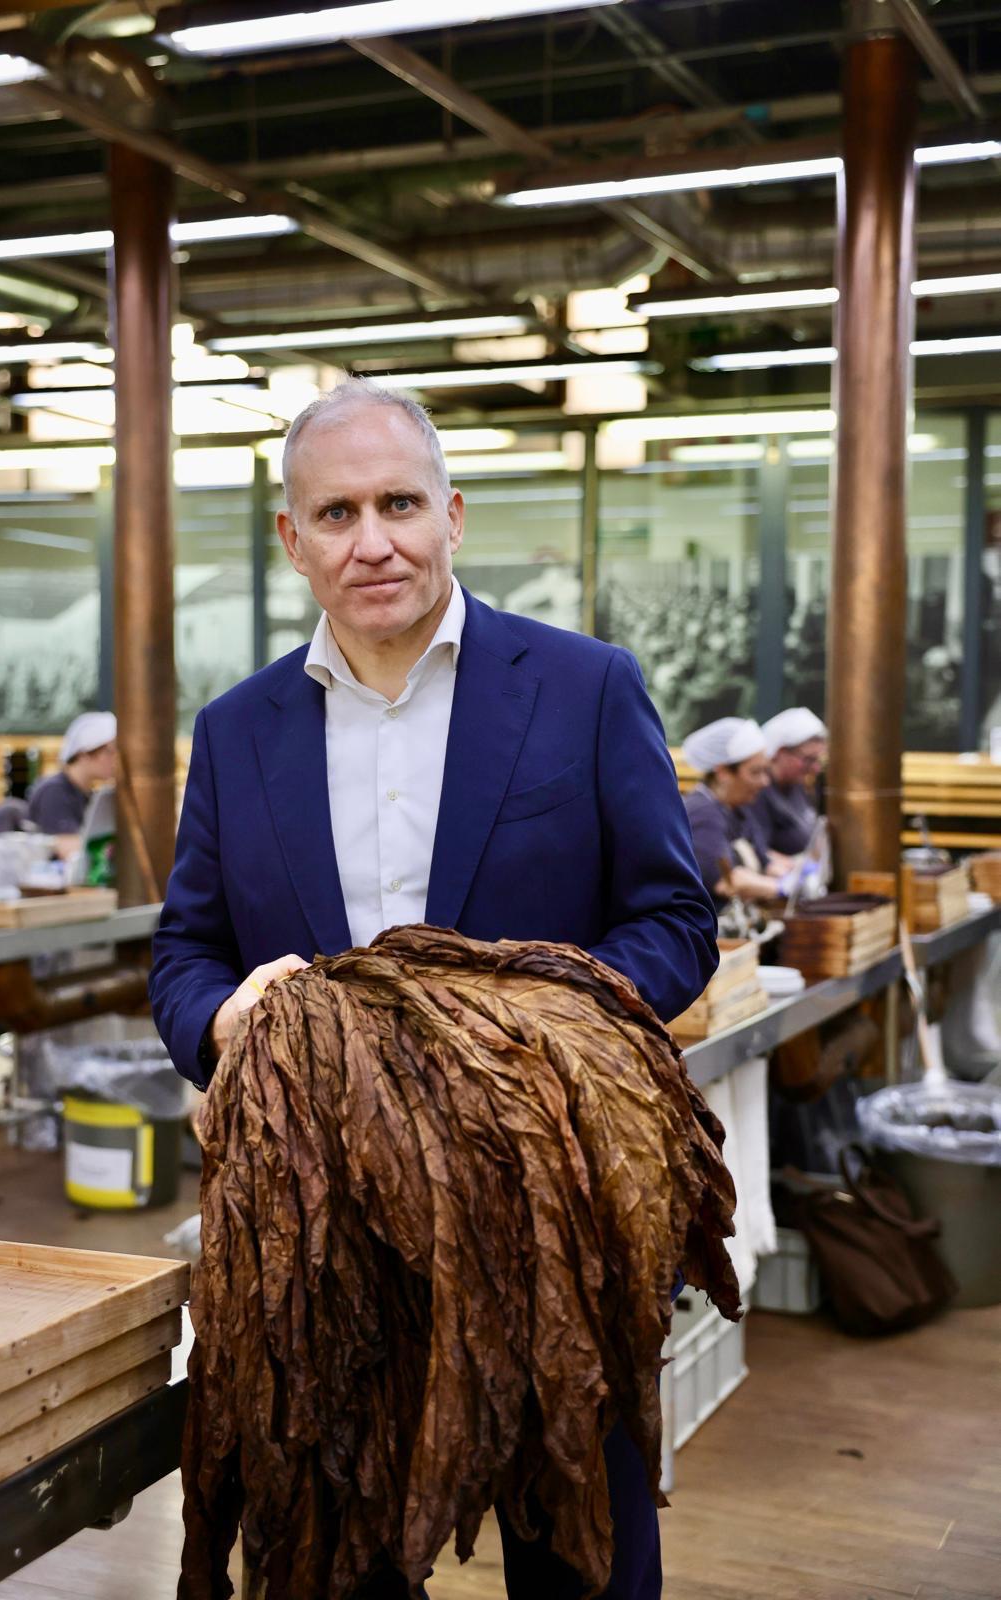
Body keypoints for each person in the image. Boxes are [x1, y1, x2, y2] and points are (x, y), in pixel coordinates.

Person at [150, 376, 719, 1600]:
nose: (374, 541)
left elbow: (674, 921)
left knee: (580, 1557)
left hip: (551, 1216)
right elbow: (184, 952)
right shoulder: (238, 730)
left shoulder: (583, 686)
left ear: (452, 514)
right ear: (291, 538)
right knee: (338, 1558)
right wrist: (227, 1021)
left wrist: (521, 1028)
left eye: (399, 503)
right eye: (337, 512)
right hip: (330, 1232)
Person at [682, 716, 787, 912]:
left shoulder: (738, 810)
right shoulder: (703, 813)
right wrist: (782, 887)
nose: (765, 782)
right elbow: (726, 881)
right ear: (722, 772)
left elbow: (765, 861)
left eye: (766, 771)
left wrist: (795, 874)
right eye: (755, 772)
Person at [26, 711, 117, 836]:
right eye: (110, 752)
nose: (115, 759)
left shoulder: (86, 794)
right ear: (85, 753)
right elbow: (68, 843)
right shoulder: (54, 791)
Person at [753, 706, 827, 856]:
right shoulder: (758, 793)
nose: (815, 769)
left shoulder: (797, 786)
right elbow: (759, 852)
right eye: (808, 759)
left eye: (817, 760)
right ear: (780, 752)